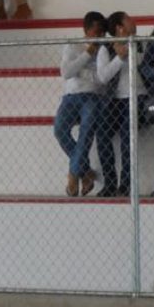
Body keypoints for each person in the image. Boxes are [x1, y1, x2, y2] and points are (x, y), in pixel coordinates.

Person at [54, 11, 108, 197]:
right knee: (59, 130)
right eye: (96, 31)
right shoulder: (73, 45)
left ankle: (73, 174)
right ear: (86, 30)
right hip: (70, 95)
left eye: (102, 32)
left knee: (86, 131)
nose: (99, 36)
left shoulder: (104, 49)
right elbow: (67, 72)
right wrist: (87, 54)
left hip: (93, 96)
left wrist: (81, 71)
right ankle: (85, 171)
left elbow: (101, 80)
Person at [96, 11, 147, 198]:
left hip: (138, 97)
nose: (134, 22)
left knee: (127, 135)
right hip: (115, 100)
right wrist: (119, 58)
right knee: (101, 133)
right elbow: (103, 77)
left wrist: (128, 52)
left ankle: (125, 185)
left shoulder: (140, 43)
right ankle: (110, 183)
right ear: (120, 27)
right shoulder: (105, 49)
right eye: (129, 20)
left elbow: (143, 63)